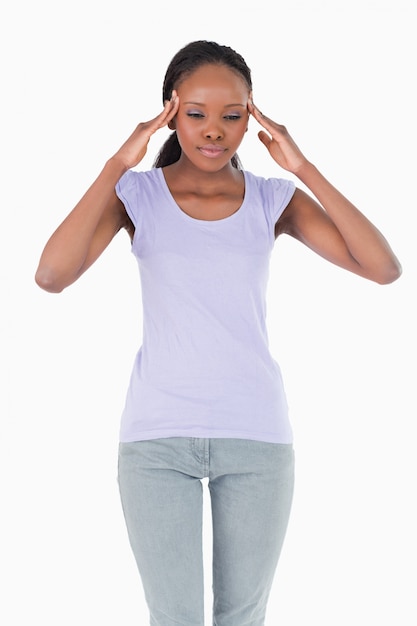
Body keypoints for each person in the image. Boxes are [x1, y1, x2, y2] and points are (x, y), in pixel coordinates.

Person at [35, 40, 402, 626]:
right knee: (173, 618)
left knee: (243, 618)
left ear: (251, 116)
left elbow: (383, 268)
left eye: (232, 115)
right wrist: (116, 165)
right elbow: (51, 275)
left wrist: (302, 168)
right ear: (169, 113)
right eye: (196, 113)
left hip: (255, 436)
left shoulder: (273, 199)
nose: (214, 131)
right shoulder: (137, 196)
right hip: (157, 441)